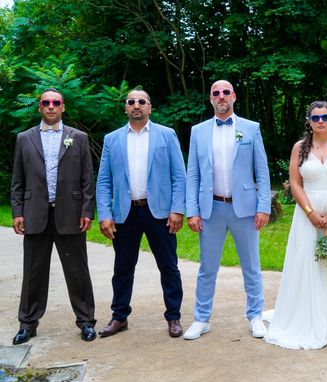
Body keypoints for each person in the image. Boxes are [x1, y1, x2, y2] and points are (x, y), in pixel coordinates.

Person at [264, 101, 327, 349]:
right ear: (309, 121)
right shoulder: (299, 148)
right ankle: (312, 319)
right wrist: (310, 212)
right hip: (307, 213)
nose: (320, 121)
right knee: (309, 264)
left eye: (325, 117)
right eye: (315, 118)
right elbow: (295, 183)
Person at [183, 80, 271, 340]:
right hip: (211, 209)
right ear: (210, 99)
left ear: (234, 96)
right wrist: (192, 210)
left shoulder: (250, 129)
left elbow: (262, 171)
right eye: (215, 93)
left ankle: (255, 316)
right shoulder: (198, 131)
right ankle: (201, 319)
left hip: (244, 209)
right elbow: (192, 175)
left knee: (251, 266)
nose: (221, 97)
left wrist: (263, 206)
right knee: (207, 268)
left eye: (225, 92)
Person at [96, 89, 186, 338]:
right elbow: (103, 181)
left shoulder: (166, 135)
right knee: (122, 268)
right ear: (125, 107)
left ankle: (174, 317)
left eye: (141, 101)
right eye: (131, 102)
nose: (136, 105)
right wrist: (104, 214)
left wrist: (177, 209)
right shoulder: (112, 139)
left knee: (168, 266)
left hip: (159, 212)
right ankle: (119, 316)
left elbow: (179, 176)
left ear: (150, 106)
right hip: (125, 214)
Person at [10, 88, 97, 344]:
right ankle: (27, 323)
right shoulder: (24, 139)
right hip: (35, 213)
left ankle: (86, 322)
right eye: (45, 103)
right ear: (39, 107)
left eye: (55, 102)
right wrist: (18, 211)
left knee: (77, 271)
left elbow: (86, 180)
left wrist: (86, 211)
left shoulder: (78, 138)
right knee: (33, 272)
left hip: (70, 215)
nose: (50, 106)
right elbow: (18, 179)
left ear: (63, 107)